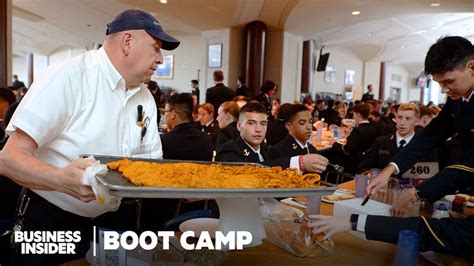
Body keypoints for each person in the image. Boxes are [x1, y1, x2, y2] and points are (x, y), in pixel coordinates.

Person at [0, 9, 179, 265]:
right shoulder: (68, 76)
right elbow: (8, 159)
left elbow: (151, 165)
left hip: (112, 224)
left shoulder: (144, 97)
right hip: (51, 220)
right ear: (128, 42)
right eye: (156, 48)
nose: (160, 59)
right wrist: (60, 179)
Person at [309, 36, 474, 257]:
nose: (444, 90)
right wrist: (389, 170)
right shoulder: (461, 95)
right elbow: (432, 134)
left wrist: (416, 193)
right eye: (439, 84)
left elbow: (469, 163)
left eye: (448, 82)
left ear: (471, 67)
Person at [216, 102, 328, 174]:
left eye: (263, 123)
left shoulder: (264, 151)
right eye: (251, 123)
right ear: (239, 126)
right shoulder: (229, 149)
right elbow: (251, 172)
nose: (258, 129)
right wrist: (299, 162)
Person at [360, 103, 436, 172]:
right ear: (395, 119)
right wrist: (368, 174)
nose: (402, 123)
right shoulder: (380, 142)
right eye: (400, 117)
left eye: (408, 118)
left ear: (416, 122)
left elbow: (432, 173)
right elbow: (363, 168)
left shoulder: (424, 145)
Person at [160, 93, 213, 161]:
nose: (165, 116)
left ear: (173, 114)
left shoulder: (164, 141)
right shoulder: (206, 139)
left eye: (165, 112)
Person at [330, 103, 376, 174]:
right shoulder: (372, 128)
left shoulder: (357, 130)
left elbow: (346, 150)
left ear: (359, 115)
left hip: (353, 165)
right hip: (364, 162)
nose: (353, 117)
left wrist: (334, 143)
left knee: (329, 157)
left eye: (354, 115)